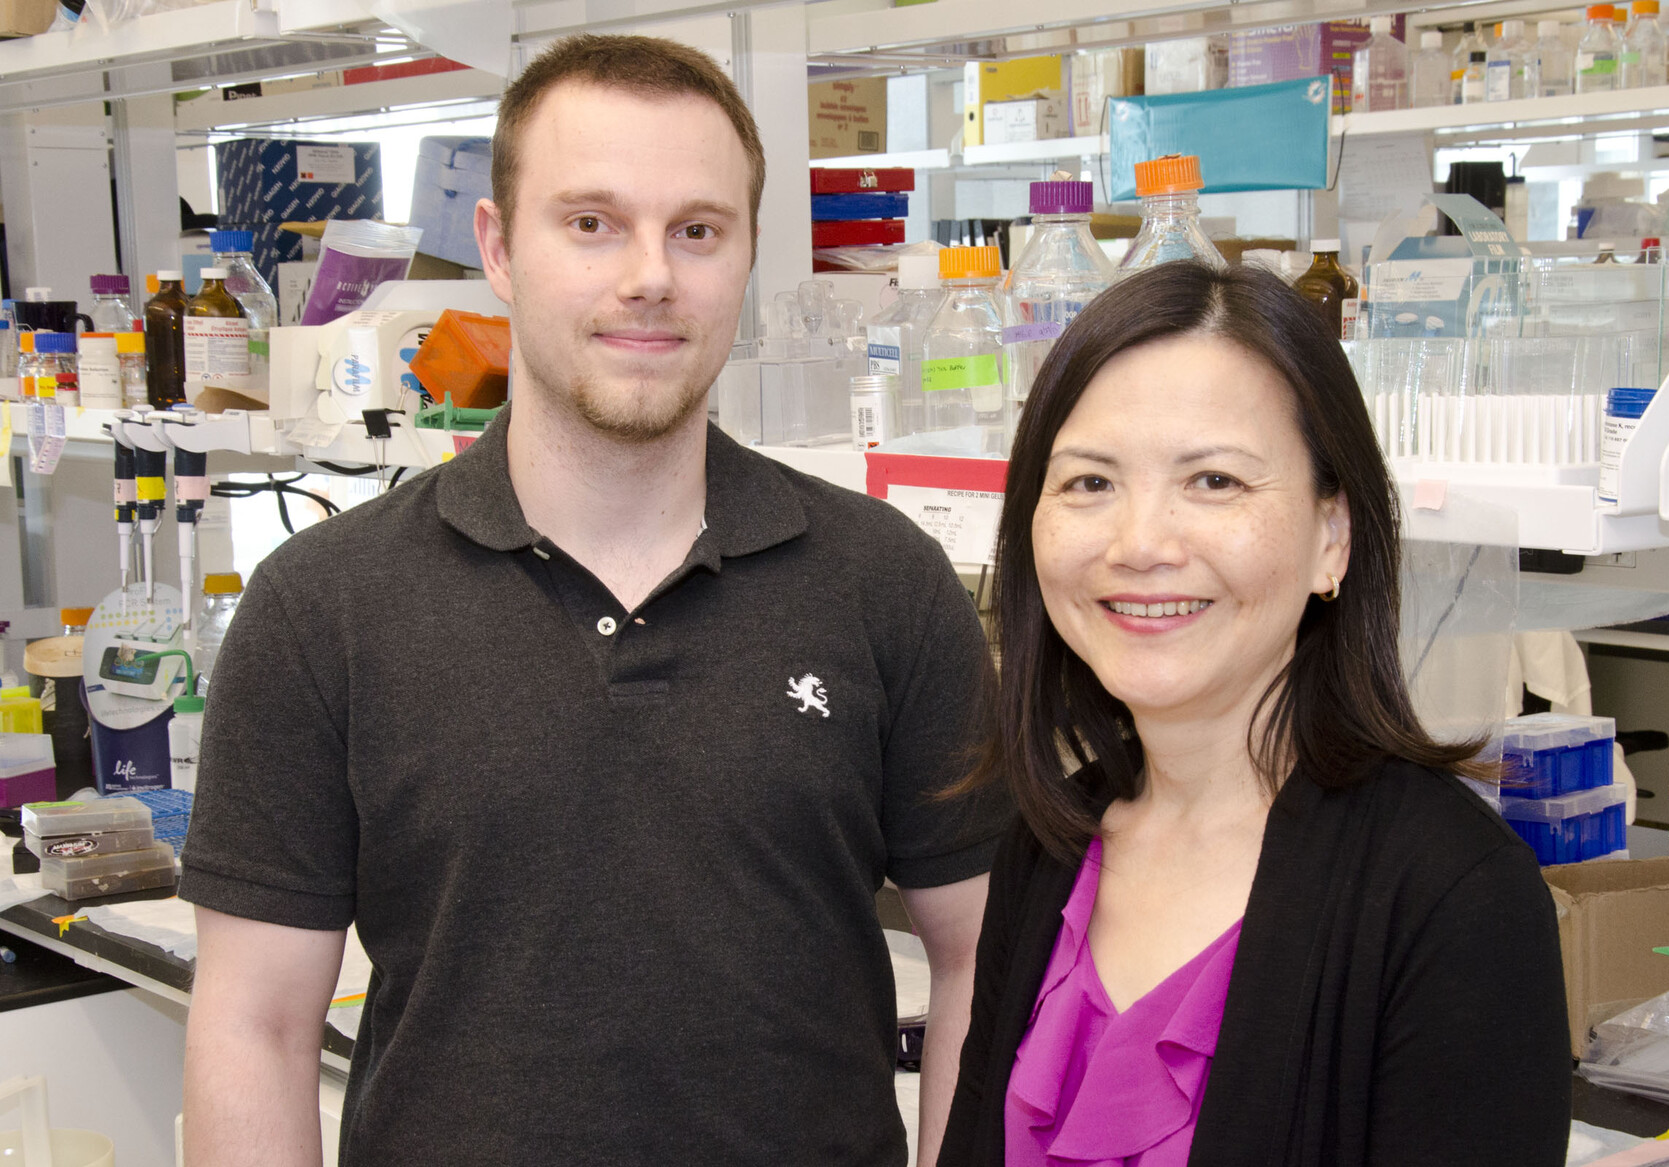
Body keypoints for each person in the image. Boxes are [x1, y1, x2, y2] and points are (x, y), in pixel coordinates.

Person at [180, 34, 1006, 1167]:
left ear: (748, 251)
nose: (650, 277)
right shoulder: (324, 609)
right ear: (499, 247)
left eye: (697, 231)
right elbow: (255, 1026)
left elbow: (980, 964)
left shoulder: (884, 583)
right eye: (591, 224)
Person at [938, 262, 1572, 1167]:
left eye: (1215, 482)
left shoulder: (1452, 896)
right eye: (1088, 483)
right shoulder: (1049, 845)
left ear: (1333, 536)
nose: (1141, 543)